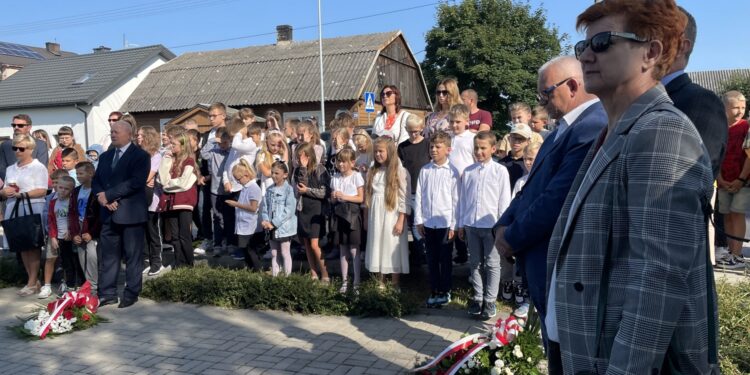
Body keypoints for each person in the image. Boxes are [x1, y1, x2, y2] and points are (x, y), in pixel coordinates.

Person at [545, 1, 717, 372]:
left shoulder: (661, 132)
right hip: (581, 349)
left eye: (603, 42)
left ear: (650, 53)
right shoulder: (615, 130)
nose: (586, 56)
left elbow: (656, 281)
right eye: (582, 46)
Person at [663, 7, 729, 264]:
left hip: (670, 258)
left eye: (648, 34)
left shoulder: (700, 103)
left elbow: (687, 188)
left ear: (681, 45)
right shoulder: (630, 104)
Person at [93, 120, 150, 308]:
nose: (113, 134)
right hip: (108, 214)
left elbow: (136, 182)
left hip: (130, 213)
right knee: (108, 256)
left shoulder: (140, 156)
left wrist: (109, 196)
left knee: (133, 256)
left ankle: (131, 292)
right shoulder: (106, 156)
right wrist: (102, 198)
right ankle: (107, 292)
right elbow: (97, 181)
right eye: (111, 131)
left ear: (128, 134)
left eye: (116, 131)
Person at [458, 131, 511, 319]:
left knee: (492, 264)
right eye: (476, 148)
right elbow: (463, 200)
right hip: (472, 224)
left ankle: (490, 301)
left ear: (493, 149)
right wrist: (461, 224)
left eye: (483, 148)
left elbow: (504, 201)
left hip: (491, 226)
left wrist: (501, 226)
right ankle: (478, 297)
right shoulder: (469, 171)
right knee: (475, 263)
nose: (479, 152)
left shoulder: (500, 171)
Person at [415, 130, 459, 306]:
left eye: (438, 147)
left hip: (445, 223)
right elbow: (419, 196)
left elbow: (456, 200)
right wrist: (419, 219)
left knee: (445, 259)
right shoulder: (425, 170)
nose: (433, 150)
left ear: (448, 149)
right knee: (431, 259)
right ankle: (434, 289)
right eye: (431, 146)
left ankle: (446, 290)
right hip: (429, 223)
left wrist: (454, 225)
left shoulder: (452, 172)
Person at [1, 134, 48, 296]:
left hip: (32, 206)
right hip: (14, 207)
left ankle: (32, 281)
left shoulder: (38, 167)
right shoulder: (10, 168)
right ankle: (32, 280)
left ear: (31, 149)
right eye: (15, 148)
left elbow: (42, 190)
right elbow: (6, 189)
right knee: (22, 245)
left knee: (32, 245)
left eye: (21, 148)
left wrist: (23, 194)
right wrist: (4, 192)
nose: (17, 151)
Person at [365, 136, 411, 290]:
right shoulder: (373, 170)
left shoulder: (399, 171)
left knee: (391, 245)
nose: (378, 154)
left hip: (392, 213)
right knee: (378, 244)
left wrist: (401, 219)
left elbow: (404, 197)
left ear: (390, 152)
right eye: (376, 151)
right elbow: (369, 194)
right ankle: (380, 280)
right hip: (376, 214)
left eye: (381, 151)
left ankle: (395, 282)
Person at [715, 91, 749, 270]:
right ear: (725, 108)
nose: (740, 111)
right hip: (723, 180)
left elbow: (749, 156)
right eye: (736, 107)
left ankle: (738, 255)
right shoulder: (720, 128)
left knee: (737, 214)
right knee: (727, 216)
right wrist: (719, 177)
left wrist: (741, 179)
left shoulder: (746, 127)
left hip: (741, 181)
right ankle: (730, 251)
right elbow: (717, 154)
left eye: (743, 107)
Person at [158, 133, 198, 268]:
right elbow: (162, 179)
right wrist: (166, 160)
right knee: (175, 236)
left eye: (174, 144)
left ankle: (189, 263)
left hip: (184, 202)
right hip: (171, 202)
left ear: (182, 146)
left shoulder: (189, 161)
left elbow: (183, 182)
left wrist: (167, 185)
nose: (171, 147)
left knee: (184, 235)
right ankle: (179, 263)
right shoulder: (170, 159)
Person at [293, 142, 330, 282]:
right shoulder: (298, 170)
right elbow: (301, 185)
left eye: (300, 157)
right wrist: (302, 167)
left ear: (308, 156)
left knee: (315, 244)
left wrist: (308, 191)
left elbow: (324, 192)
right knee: (307, 244)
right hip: (303, 209)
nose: (297, 160)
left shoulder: (321, 169)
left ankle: (325, 274)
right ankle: (313, 273)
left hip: (316, 210)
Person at [330, 148, 364, 293]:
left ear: (352, 162)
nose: (341, 164)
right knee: (343, 249)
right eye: (339, 161)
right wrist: (333, 197)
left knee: (354, 250)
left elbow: (361, 198)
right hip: (340, 214)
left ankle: (356, 282)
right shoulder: (335, 178)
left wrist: (344, 196)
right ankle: (344, 282)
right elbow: (332, 201)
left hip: (353, 214)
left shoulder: (356, 176)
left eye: (344, 162)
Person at [47, 176, 85, 291]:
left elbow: (75, 218)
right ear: (56, 187)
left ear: (72, 190)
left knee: (77, 262)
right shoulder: (53, 203)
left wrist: (71, 231)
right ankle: (69, 285)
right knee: (66, 262)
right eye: (60, 187)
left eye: (66, 189)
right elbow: (51, 220)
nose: (63, 190)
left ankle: (81, 285)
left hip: (73, 237)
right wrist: (53, 237)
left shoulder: (73, 201)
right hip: (61, 238)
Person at [226, 159, 264, 271]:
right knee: (246, 250)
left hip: (250, 226)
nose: (238, 182)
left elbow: (253, 207)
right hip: (244, 225)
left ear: (246, 175)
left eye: (238, 179)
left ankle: (256, 271)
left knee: (250, 250)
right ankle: (250, 270)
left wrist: (236, 204)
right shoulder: (245, 188)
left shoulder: (253, 188)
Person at [260, 161, 297, 277]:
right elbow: (265, 207)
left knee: (285, 252)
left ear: (285, 175)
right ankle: (275, 277)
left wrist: (274, 223)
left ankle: (287, 278)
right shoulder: (269, 190)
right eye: (272, 173)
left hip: (284, 228)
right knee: (275, 253)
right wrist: (265, 220)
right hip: (271, 227)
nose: (273, 175)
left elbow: (289, 210)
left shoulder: (289, 190)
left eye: (277, 173)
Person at [70, 161, 101, 294]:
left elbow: (100, 215)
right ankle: (87, 284)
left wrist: (92, 233)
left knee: (92, 257)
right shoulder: (76, 191)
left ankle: (93, 287)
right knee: (82, 257)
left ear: (91, 173)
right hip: (79, 227)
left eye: (81, 173)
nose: (78, 176)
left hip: (91, 228)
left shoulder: (97, 190)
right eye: (77, 174)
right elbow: (72, 213)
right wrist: (74, 233)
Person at [137, 126, 165, 275]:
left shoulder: (156, 156)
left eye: (141, 135)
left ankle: (157, 262)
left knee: (154, 231)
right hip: (140, 198)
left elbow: (147, 177)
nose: (138, 138)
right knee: (144, 232)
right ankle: (147, 260)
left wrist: (142, 179)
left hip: (152, 198)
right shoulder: (139, 154)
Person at [200, 128, 230, 256]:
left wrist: (228, 141)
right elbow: (203, 154)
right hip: (215, 189)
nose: (222, 146)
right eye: (220, 143)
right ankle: (217, 243)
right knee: (217, 217)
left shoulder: (231, 151)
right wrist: (213, 140)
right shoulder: (214, 150)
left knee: (229, 217)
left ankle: (228, 242)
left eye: (225, 143)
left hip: (228, 189)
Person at [0, 114, 49, 181]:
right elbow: (2, 168)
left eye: (20, 125)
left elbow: (41, 167)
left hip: (32, 185)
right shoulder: (5, 145)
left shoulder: (40, 144)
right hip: (10, 186)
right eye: (14, 125)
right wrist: (11, 182)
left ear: (29, 127)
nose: (16, 127)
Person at [498, 123, 533, 189]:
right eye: (514, 138)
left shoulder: (532, 164)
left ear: (528, 141)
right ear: (509, 138)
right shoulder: (501, 164)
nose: (517, 141)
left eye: (521, 139)